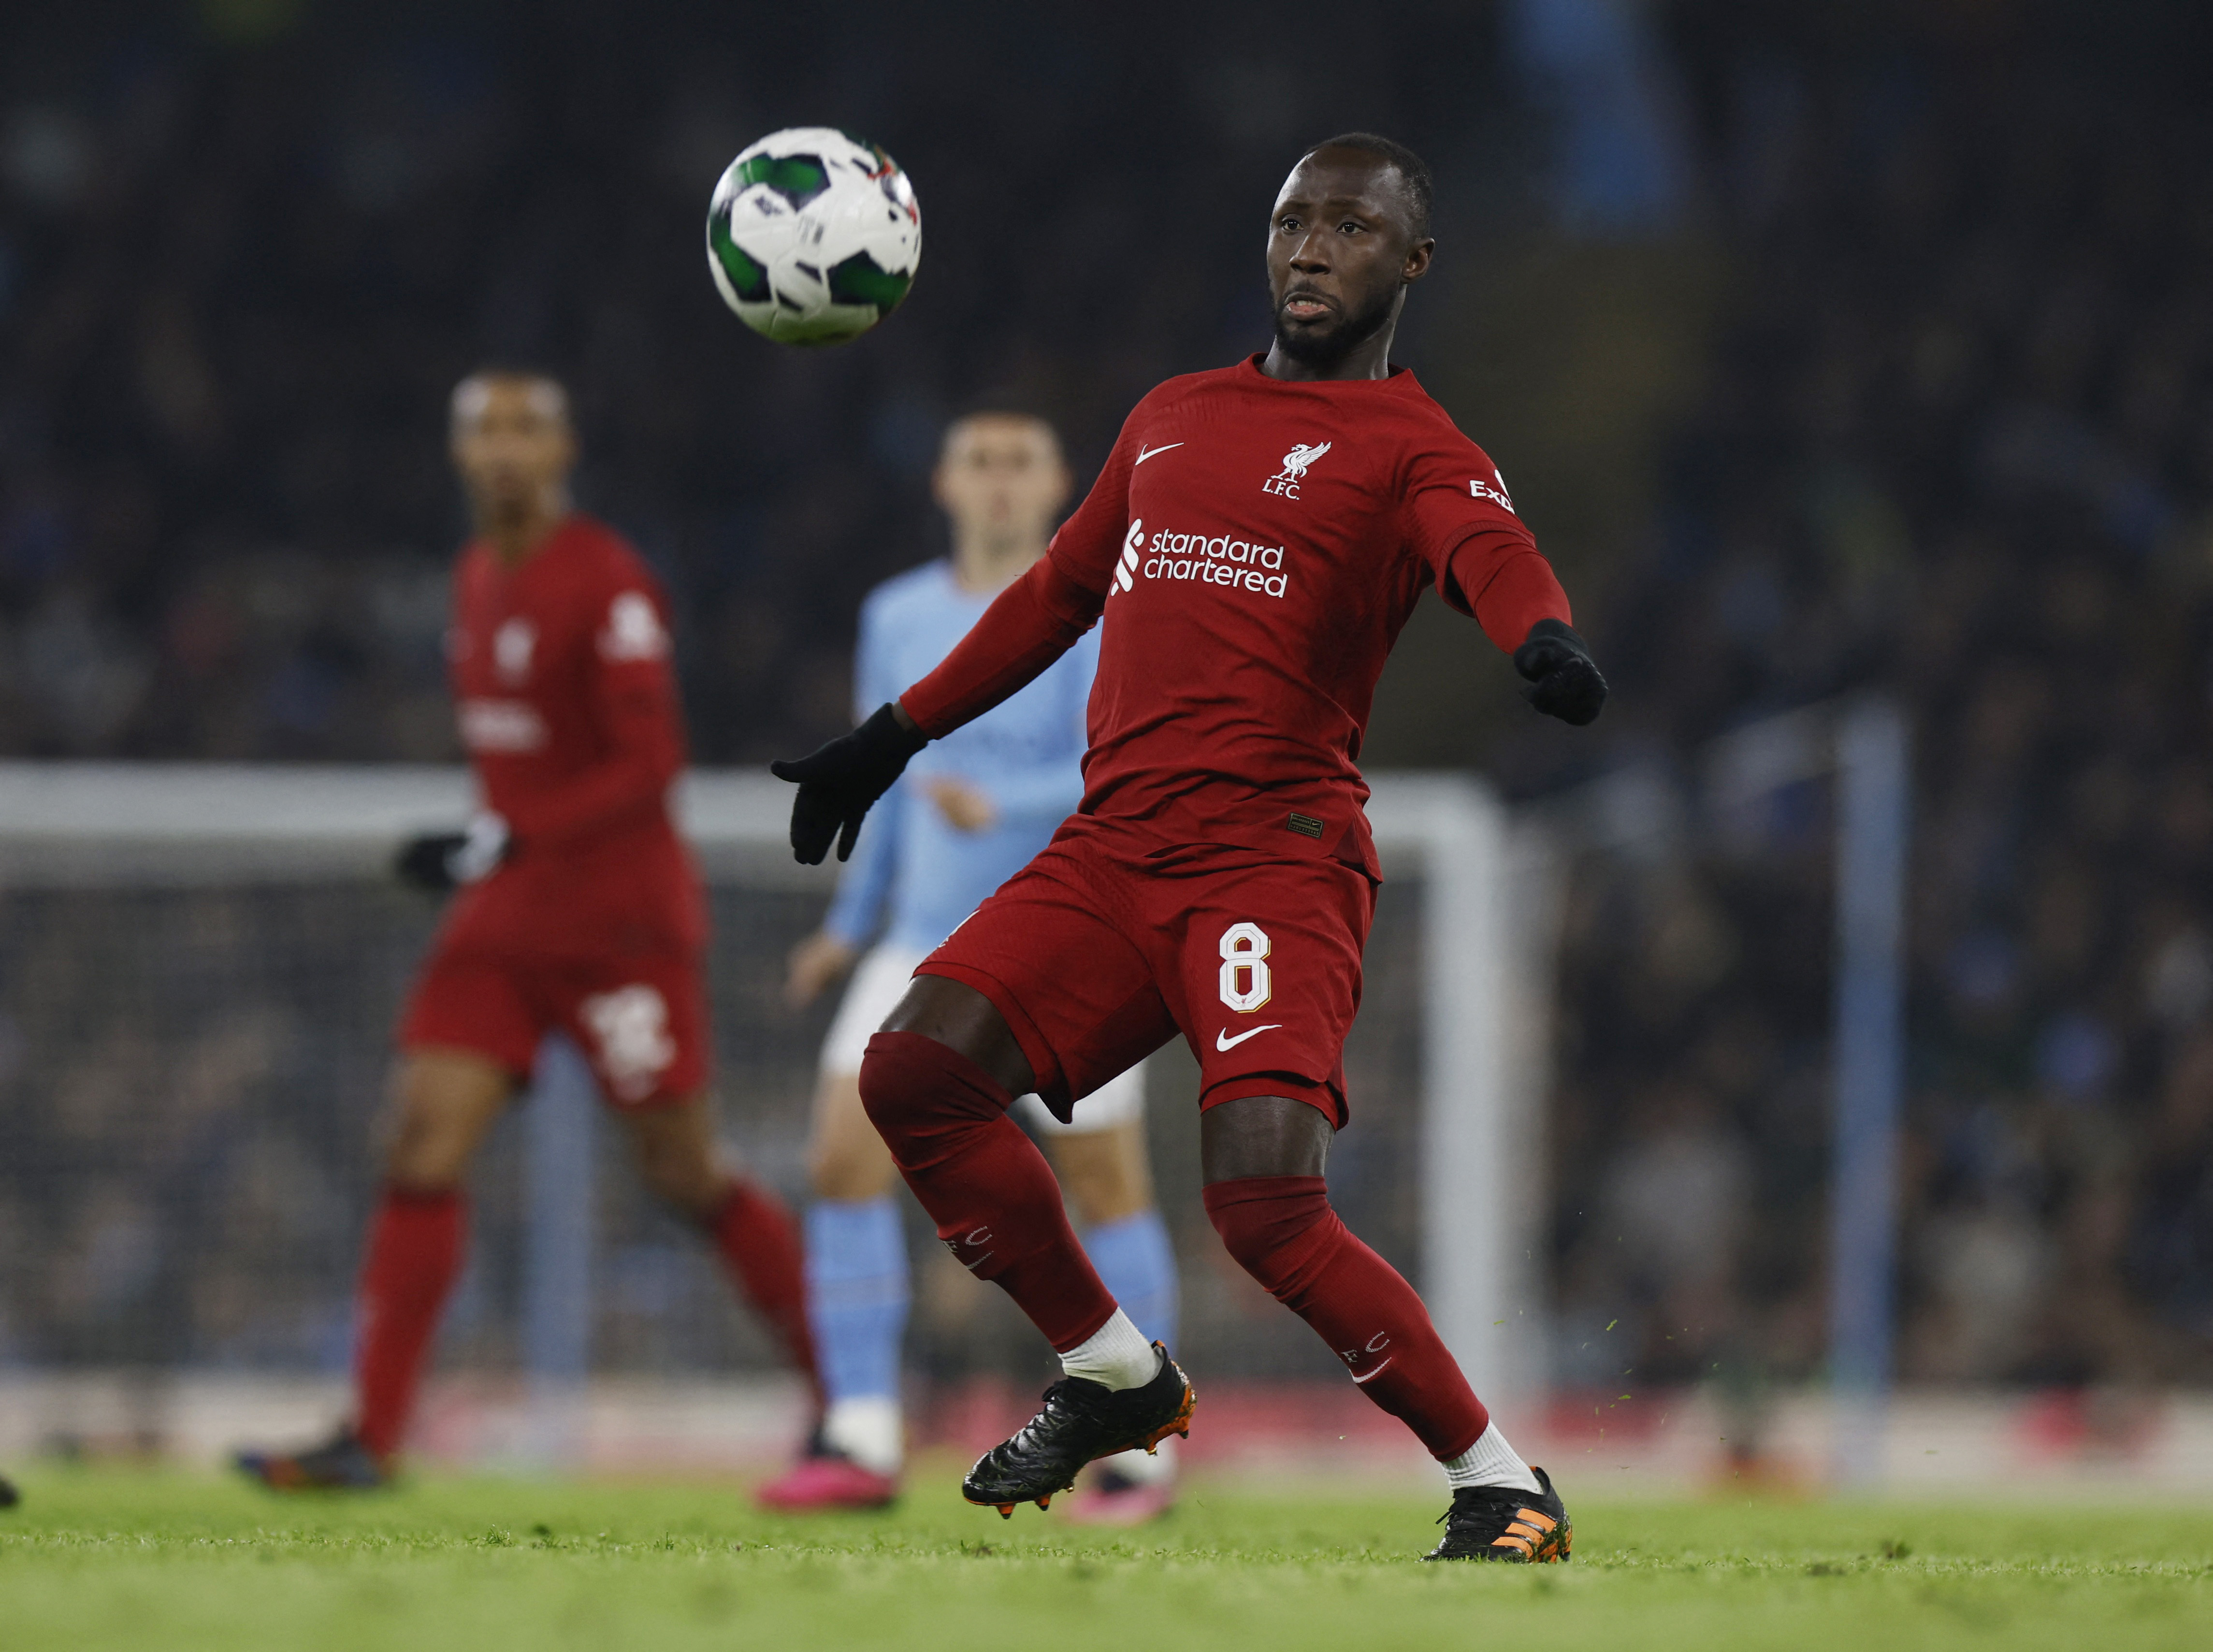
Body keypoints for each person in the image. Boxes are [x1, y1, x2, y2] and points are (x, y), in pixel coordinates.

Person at [771, 134, 1607, 1562]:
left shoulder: (1416, 446)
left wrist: (1536, 633)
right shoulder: (1169, 415)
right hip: (1112, 853)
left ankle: (1501, 1479)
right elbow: (1053, 594)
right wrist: (891, 735)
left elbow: (1486, 549)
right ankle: (1111, 1371)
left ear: (1409, 263)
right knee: (912, 1074)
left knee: (1263, 1206)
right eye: (1292, 221)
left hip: (1269, 861)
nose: (1308, 248)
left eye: (1349, 227)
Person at [236, 371, 817, 1489]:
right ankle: (375, 1434)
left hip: (621, 928)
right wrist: (496, 847)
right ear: (460, 456)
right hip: (506, 921)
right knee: (419, 1139)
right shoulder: (470, 577)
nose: (505, 451)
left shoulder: (607, 581)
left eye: (525, 431)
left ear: (563, 451)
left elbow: (648, 765)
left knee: (685, 1170)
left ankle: (845, 1404)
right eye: (485, 433)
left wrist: (502, 836)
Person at [757, 409, 1182, 1523]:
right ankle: (859, 1431)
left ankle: (1143, 1454)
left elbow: (1121, 765)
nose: (997, 481)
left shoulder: (1097, 611)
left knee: (1102, 1184)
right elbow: (878, 779)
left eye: (1019, 462)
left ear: (1056, 485)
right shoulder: (894, 615)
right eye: (978, 462)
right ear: (943, 481)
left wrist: (1009, 801)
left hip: (1067, 936)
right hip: (921, 941)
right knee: (842, 1157)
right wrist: (850, 927)